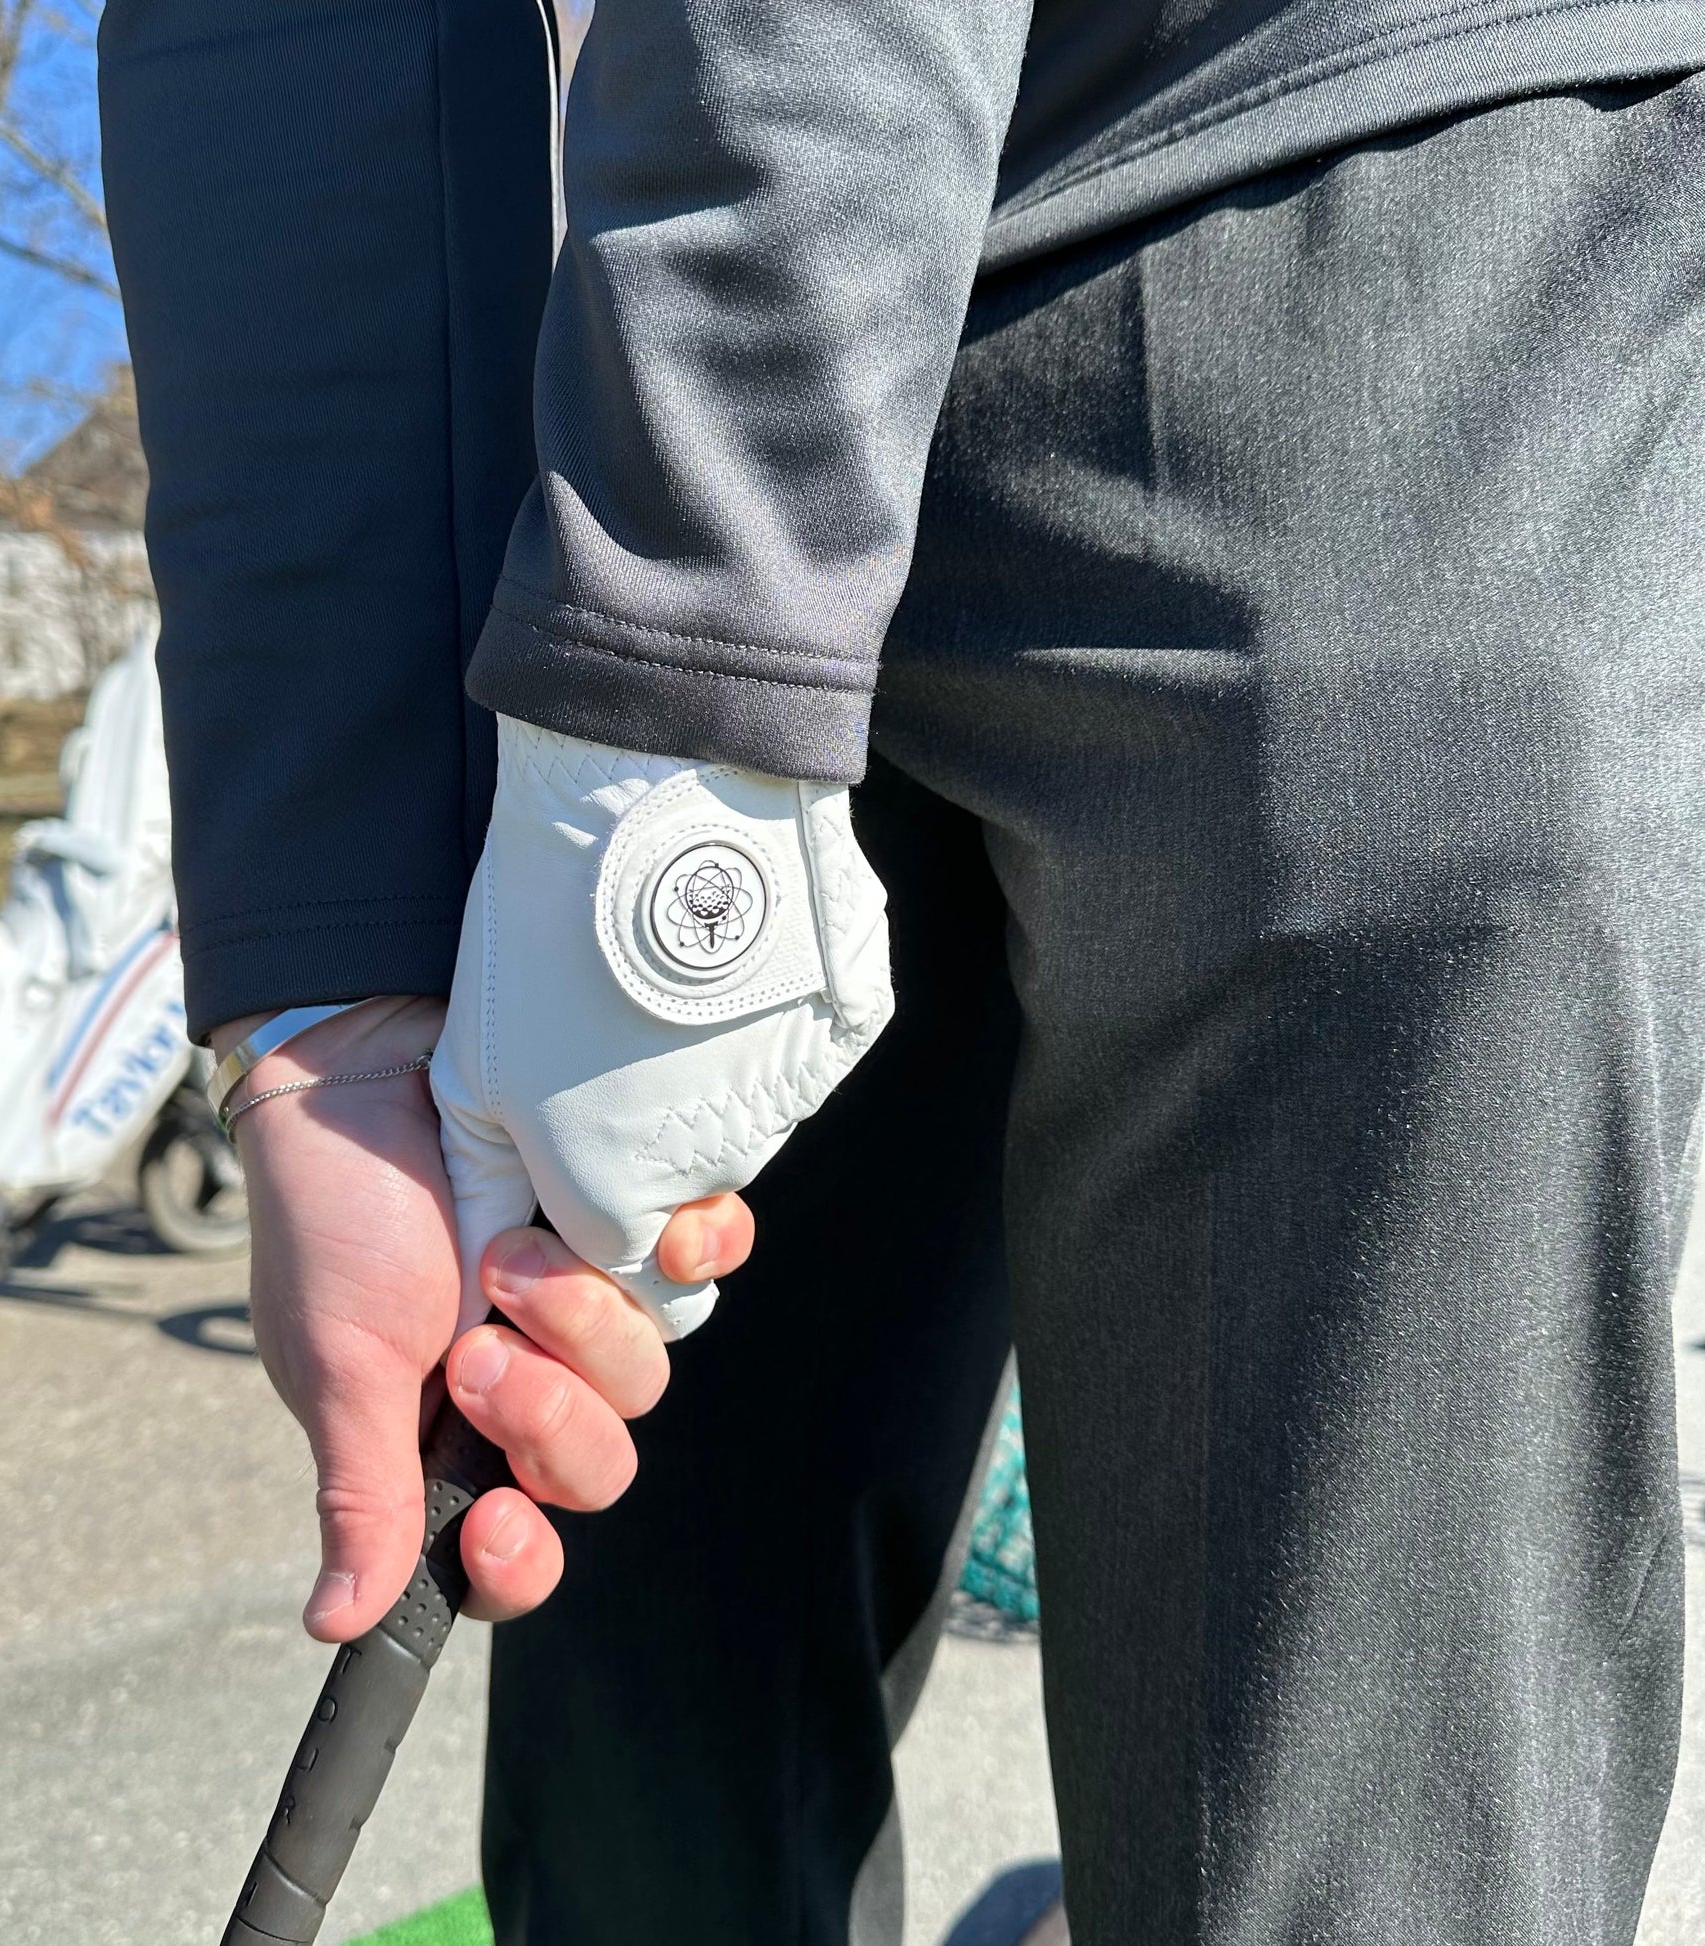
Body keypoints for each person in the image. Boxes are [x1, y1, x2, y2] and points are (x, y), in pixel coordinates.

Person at [97, 2, 1705, 1940]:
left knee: (1347, 1821)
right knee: (656, 1785)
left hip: (1384, 211)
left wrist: (681, 635)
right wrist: (337, 986)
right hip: (643, 429)